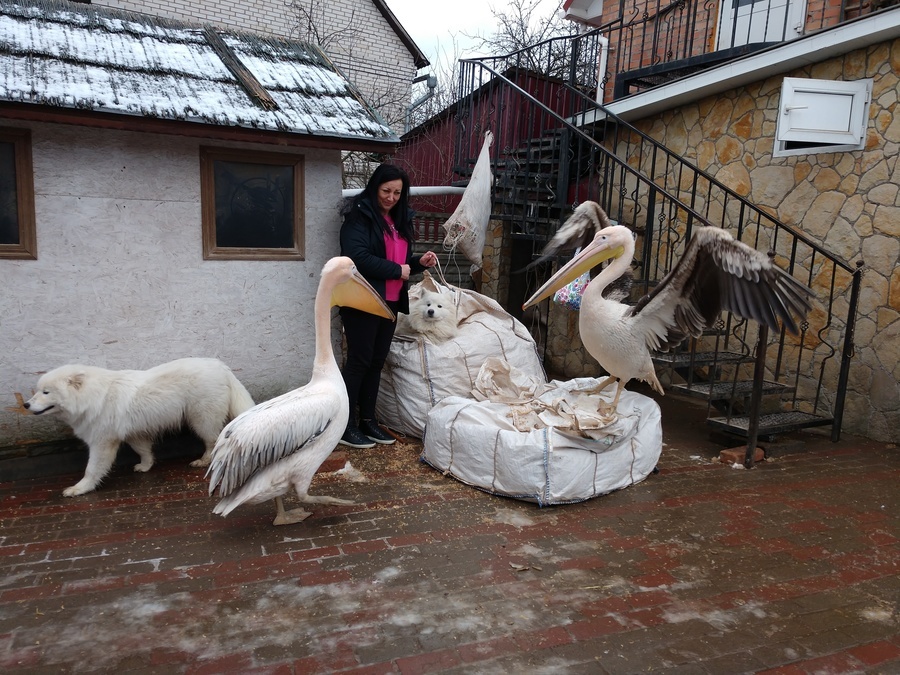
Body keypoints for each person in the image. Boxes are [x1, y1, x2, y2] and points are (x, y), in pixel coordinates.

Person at [338, 164, 438, 448]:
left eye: (397, 192)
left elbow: (399, 261)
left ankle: (368, 421)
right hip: (362, 301)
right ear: (374, 187)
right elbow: (356, 256)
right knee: (359, 361)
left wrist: (418, 263)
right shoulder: (358, 217)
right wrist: (399, 270)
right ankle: (346, 425)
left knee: (376, 362)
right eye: (386, 191)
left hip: (391, 303)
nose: (392, 197)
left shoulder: (399, 220)